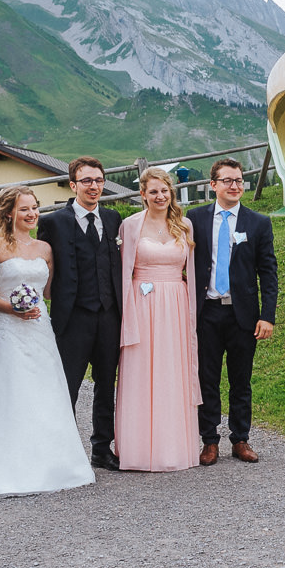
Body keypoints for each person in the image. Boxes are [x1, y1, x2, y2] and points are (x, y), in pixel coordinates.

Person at [0, 186, 95, 496]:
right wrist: (11, 307)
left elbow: (48, 292)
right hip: (8, 331)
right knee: (10, 391)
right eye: (25, 209)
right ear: (9, 212)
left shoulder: (45, 249)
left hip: (40, 331)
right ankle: (6, 463)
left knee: (45, 391)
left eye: (35, 208)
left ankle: (53, 462)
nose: (32, 214)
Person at [188, 158, 278, 465]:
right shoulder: (195, 219)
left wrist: (268, 315)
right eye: (228, 180)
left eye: (239, 180)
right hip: (207, 312)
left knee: (241, 380)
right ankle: (209, 441)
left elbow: (268, 273)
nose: (235, 186)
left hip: (243, 316)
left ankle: (240, 439)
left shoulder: (258, 223)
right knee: (207, 378)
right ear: (213, 185)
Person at [37, 156, 123, 470]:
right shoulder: (53, 222)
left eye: (98, 180)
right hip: (72, 318)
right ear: (73, 184)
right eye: (86, 181)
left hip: (109, 315)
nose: (94, 186)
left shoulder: (114, 219)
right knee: (67, 386)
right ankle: (64, 451)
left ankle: (102, 448)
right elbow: (41, 265)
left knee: (106, 385)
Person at [114, 167, 201, 471]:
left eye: (164, 190)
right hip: (143, 302)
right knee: (142, 371)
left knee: (171, 371)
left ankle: (174, 447)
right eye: (153, 191)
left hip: (176, 304)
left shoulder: (184, 225)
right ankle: (139, 449)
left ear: (171, 192)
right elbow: (124, 272)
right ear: (143, 194)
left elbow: (191, 271)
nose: (160, 196)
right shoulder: (130, 226)